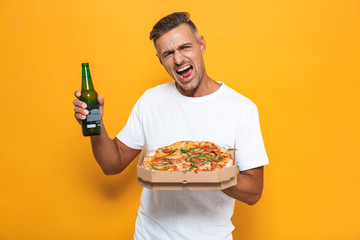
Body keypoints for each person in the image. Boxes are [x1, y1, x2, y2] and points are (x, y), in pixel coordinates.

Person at [73, 12, 268, 240]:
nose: (178, 60)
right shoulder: (151, 100)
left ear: (201, 45)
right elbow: (111, 164)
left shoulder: (240, 109)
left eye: (185, 47)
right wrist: (95, 125)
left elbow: (254, 191)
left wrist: (207, 171)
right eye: (168, 53)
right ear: (160, 60)